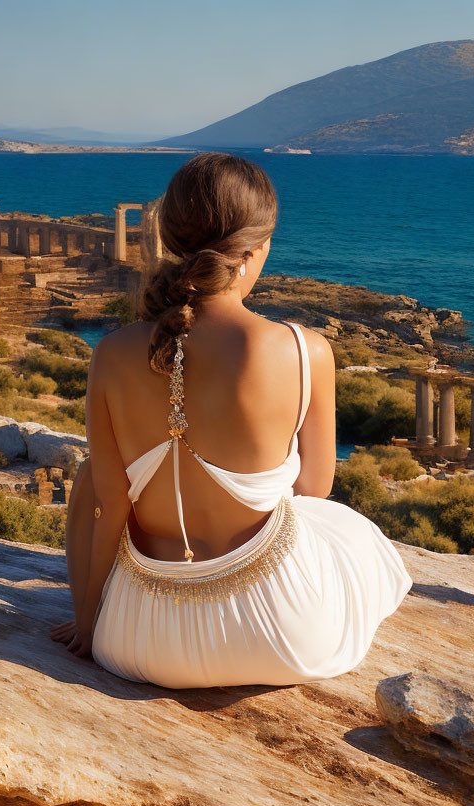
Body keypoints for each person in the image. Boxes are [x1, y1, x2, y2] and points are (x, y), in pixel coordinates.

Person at [49, 152, 412, 688]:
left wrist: (90, 622)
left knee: (90, 480)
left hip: (141, 641)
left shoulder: (111, 353)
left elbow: (110, 505)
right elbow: (315, 489)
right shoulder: (302, 349)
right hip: (285, 635)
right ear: (257, 248)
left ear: (172, 241)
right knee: (349, 530)